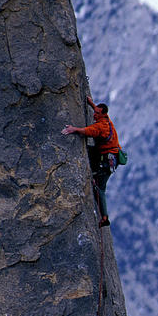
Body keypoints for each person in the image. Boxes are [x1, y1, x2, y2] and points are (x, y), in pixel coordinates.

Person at [62, 96, 120, 227]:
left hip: (107, 162)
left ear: (103, 114)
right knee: (90, 151)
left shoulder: (102, 127)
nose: (95, 115)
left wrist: (74, 129)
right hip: (107, 156)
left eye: (97, 113)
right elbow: (98, 112)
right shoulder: (106, 119)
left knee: (100, 188)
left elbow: (88, 131)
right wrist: (91, 104)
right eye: (95, 112)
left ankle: (104, 218)